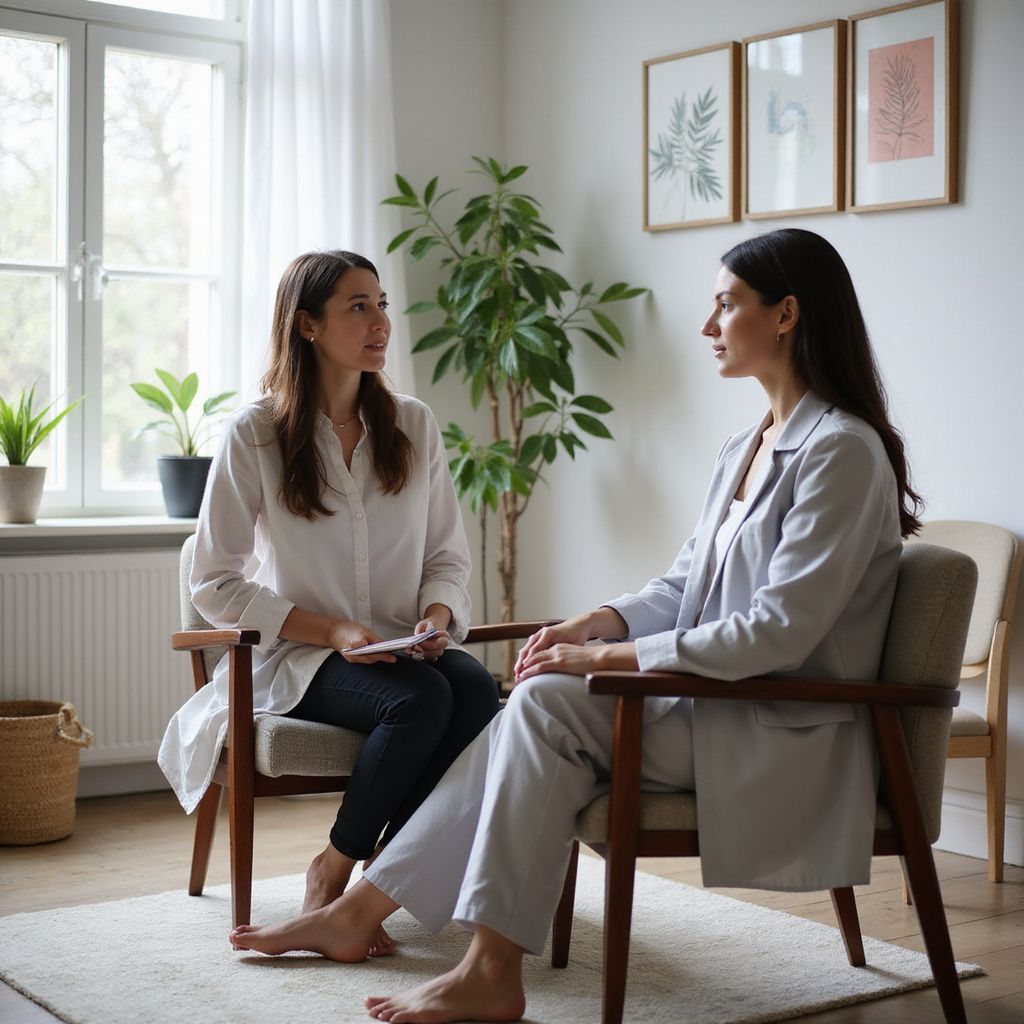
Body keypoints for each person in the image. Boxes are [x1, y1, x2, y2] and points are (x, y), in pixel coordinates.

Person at [227, 228, 922, 1023]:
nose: (708, 326)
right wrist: (593, 623)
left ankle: (421, 939)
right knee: (535, 703)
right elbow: (684, 584)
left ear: (788, 314)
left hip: (782, 720)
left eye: (726, 305)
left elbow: (778, 633)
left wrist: (606, 658)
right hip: (717, 707)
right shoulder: (748, 445)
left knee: (543, 705)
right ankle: (419, 938)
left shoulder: (843, 453)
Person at [158, 250, 500, 950]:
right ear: (307, 325)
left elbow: (446, 557)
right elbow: (214, 580)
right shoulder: (256, 433)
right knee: (421, 700)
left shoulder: (414, 425)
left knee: (470, 687)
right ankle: (331, 878)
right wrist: (333, 630)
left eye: (381, 304)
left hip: (402, 649)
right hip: (301, 657)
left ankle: (379, 884)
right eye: (358, 306)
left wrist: (436, 620)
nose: (380, 322)